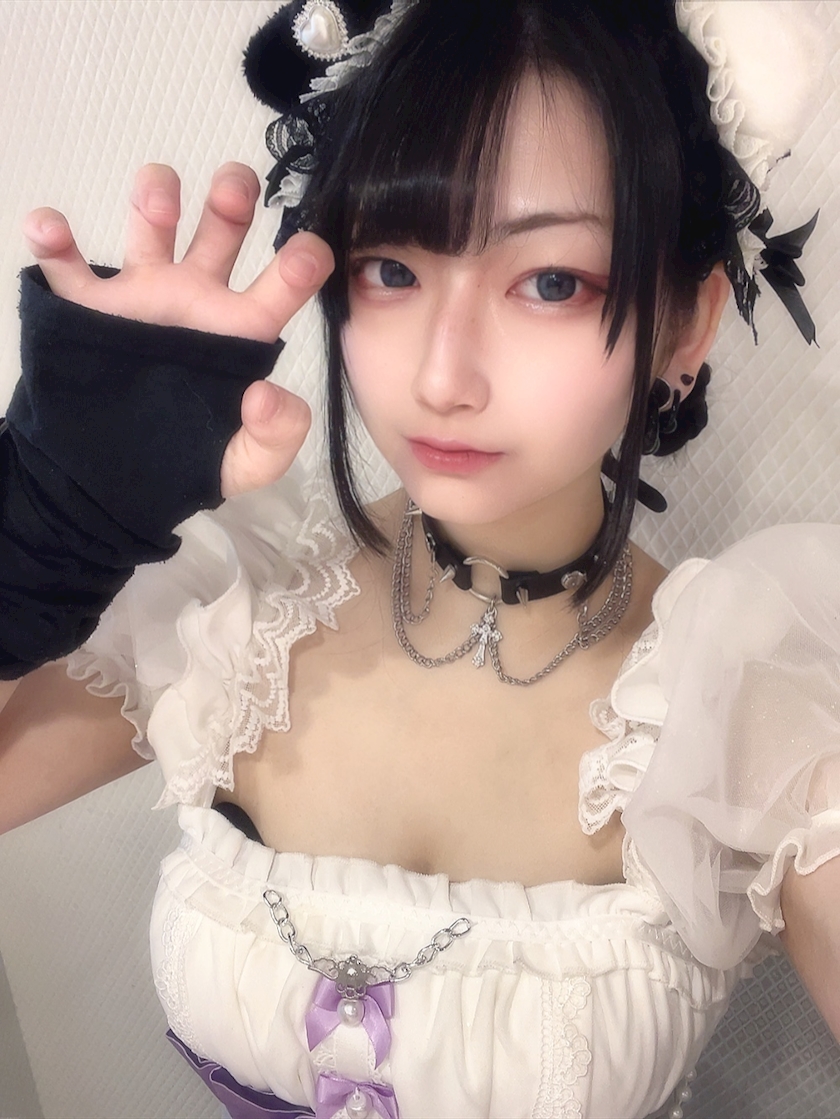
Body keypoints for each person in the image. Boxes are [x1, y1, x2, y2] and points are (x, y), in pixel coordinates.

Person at [0, 2, 838, 1117]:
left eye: (551, 282)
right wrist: (50, 514)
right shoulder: (236, 597)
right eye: (391, 269)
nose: (443, 377)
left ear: (685, 325)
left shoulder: (751, 701)